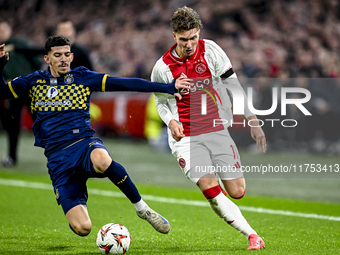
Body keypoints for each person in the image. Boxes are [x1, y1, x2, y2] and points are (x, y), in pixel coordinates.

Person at [0, 35, 190, 236]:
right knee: (83, 228)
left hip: (83, 144)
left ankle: (142, 209)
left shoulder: (83, 78)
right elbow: (1, 92)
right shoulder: (32, 82)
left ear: (72, 56)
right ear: (47, 59)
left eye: (66, 54)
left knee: (101, 159)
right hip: (57, 160)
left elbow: (127, 84)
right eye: (57, 55)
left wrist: (168, 87)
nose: (63, 59)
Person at [151, 7, 266, 250]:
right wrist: (171, 122)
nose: (190, 44)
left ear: (199, 32)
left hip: (216, 130)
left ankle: (230, 203)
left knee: (237, 191)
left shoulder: (211, 51)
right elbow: (160, 102)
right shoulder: (162, 67)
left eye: (193, 38)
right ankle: (252, 235)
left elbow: (233, 86)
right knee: (208, 186)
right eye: (184, 39)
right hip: (186, 138)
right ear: (174, 36)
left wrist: (253, 121)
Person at [0, 19, 43, 167]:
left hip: (30, 90)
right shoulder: (1, 50)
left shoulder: (21, 44)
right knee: (12, 125)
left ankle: (55, 154)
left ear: (9, 30)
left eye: (3, 30)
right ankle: (11, 157)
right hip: (13, 91)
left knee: (41, 122)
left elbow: (38, 59)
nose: (1, 33)